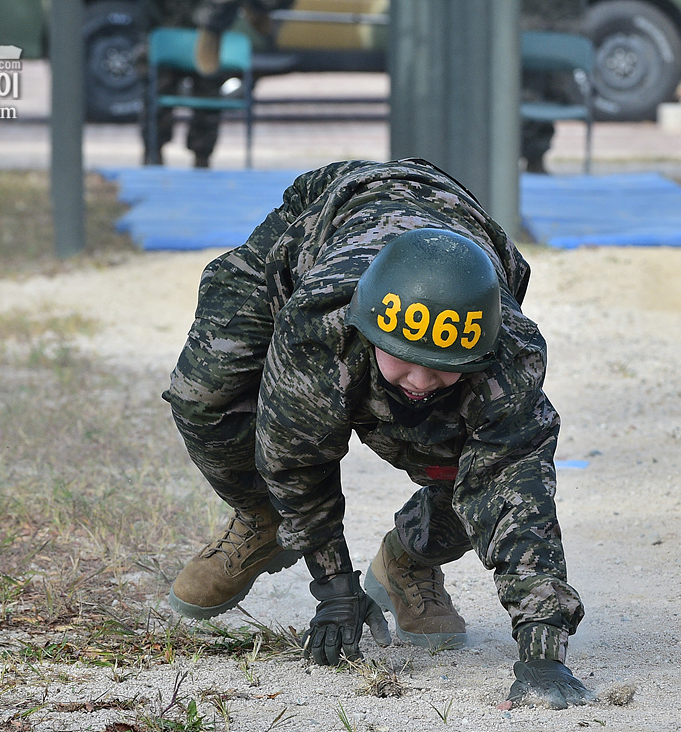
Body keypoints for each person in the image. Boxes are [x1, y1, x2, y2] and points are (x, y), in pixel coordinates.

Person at [163, 158, 593, 710]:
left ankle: (406, 559)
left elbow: (515, 498)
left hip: (463, 225)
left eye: (443, 367)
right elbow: (295, 455)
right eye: (406, 360)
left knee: (470, 475)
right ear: (368, 334)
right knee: (207, 390)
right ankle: (261, 515)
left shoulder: (507, 360)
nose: (419, 381)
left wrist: (542, 652)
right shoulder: (320, 325)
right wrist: (334, 587)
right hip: (319, 226)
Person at [143, 0, 227, 168]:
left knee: (209, 94)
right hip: (166, 29)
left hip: (207, 31)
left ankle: (202, 157)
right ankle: (153, 152)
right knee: (156, 90)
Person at [520, 0, 590, 175]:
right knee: (527, 91)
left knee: (553, 89)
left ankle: (536, 158)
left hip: (562, 19)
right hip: (528, 21)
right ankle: (527, 156)